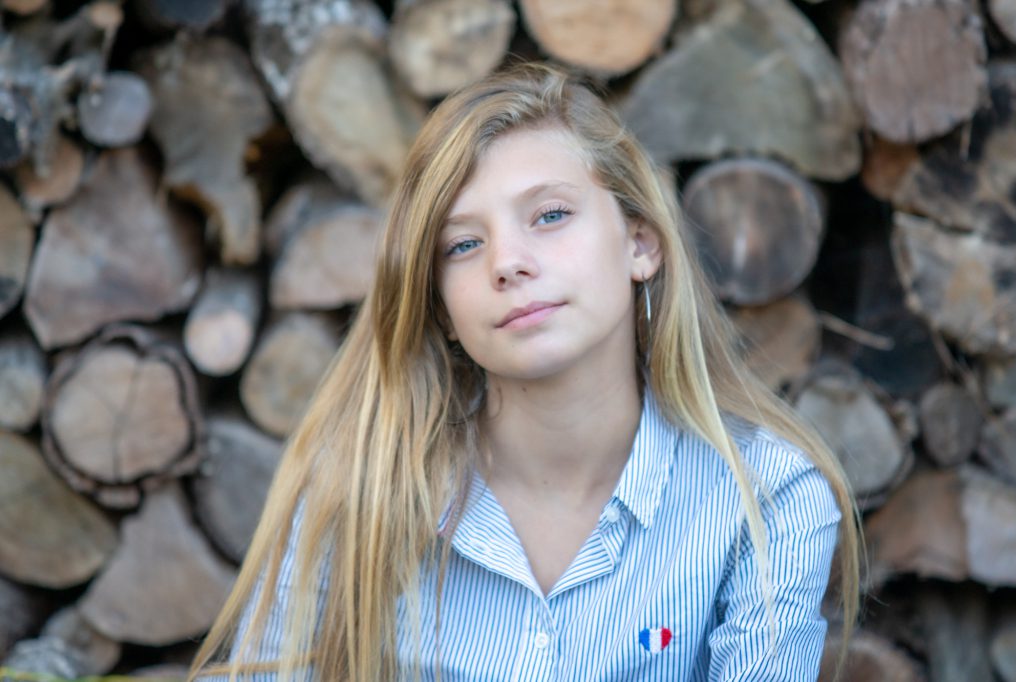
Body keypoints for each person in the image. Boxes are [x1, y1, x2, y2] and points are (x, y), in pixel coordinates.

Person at [189, 62, 861, 681]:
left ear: (640, 243)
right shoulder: (360, 491)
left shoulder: (768, 498)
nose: (507, 261)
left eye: (550, 215)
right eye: (463, 244)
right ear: (442, 308)